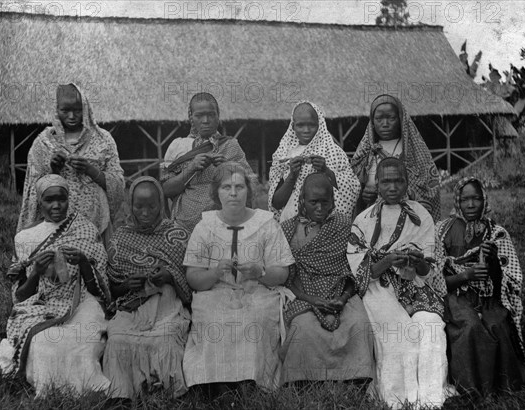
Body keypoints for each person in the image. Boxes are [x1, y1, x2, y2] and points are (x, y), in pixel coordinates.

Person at [347, 158, 451, 409]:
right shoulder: (364, 219)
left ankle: (430, 399)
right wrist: (388, 261)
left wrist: (417, 262)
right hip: (378, 287)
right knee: (399, 331)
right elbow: (359, 271)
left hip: (413, 285)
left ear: (406, 183)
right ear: (377, 184)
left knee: (430, 324)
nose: (392, 187)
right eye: (386, 181)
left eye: (398, 181)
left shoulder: (420, 216)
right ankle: (397, 399)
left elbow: (428, 270)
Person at [182, 162, 295, 393]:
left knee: (253, 319)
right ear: (216, 193)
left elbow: (282, 273)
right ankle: (215, 383)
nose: (233, 193)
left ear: (249, 191)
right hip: (215, 292)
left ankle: (252, 380)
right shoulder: (205, 227)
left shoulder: (266, 224)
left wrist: (260, 273)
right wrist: (214, 272)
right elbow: (193, 278)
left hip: (258, 291)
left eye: (239, 187)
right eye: (226, 187)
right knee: (215, 319)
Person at [0, 174, 111, 396]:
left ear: (69, 199)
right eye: (49, 200)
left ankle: (88, 389)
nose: (56, 205)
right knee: (43, 343)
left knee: (81, 339)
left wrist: (82, 262)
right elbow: (20, 297)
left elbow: (99, 289)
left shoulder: (85, 229)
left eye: (61, 198)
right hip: (42, 303)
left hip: (81, 301)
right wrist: (36, 273)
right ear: (39, 202)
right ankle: (49, 390)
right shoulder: (25, 238)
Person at [279, 173, 374, 384]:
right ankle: (303, 381)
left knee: (358, 324)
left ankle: (355, 380)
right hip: (301, 292)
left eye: (325, 202)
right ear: (302, 200)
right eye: (314, 202)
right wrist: (311, 300)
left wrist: (343, 298)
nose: (320, 208)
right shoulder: (287, 229)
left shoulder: (344, 225)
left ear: (333, 201)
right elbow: (286, 276)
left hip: (342, 291)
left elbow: (354, 268)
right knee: (303, 327)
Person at [103, 177, 192, 399]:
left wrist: (170, 276)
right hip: (132, 307)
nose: (144, 212)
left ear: (161, 204)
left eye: (151, 206)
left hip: (167, 304)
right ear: (130, 205)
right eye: (138, 206)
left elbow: (192, 282)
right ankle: (122, 394)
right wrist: (126, 285)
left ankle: (163, 391)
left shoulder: (178, 235)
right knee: (117, 339)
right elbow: (112, 289)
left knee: (165, 338)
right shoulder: (120, 238)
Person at [436, 177, 525, 396]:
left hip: (488, 295)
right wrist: (467, 275)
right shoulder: (443, 230)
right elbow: (436, 279)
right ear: (457, 201)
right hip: (456, 294)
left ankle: (505, 384)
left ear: (484, 199)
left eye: (476, 198)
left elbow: (505, 280)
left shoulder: (496, 233)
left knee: (498, 322)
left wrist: (494, 262)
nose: (471, 204)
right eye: (465, 199)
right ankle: (471, 387)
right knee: (469, 326)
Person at [17, 83, 124, 244]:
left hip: (95, 220)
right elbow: (33, 189)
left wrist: (90, 170)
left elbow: (118, 183)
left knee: (95, 263)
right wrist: (53, 169)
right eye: (65, 111)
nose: (72, 116)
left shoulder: (103, 140)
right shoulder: (44, 142)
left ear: (86, 108)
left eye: (78, 110)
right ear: (56, 109)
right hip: (55, 222)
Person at [160, 93, 258, 232]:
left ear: (218, 116)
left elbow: (252, 186)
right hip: (185, 228)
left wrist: (229, 169)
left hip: (225, 226)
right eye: (199, 115)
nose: (205, 120)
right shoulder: (179, 147)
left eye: (211, 115)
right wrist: (191, 167)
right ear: (191, 118)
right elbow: (166, 190)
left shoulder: (230, 145)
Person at [351, 94, 440, 221]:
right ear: (372, 121)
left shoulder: (413, 151)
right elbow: (352, 188)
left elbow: (429, 188)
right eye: (379, 119)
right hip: (372, 221)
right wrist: (364, 195)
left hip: (408, 222)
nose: (385, 124)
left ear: (400, 119)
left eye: (391, 118)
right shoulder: (366, 153)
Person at [269, 101, 360, 222]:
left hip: (327, 223)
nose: (306, 130)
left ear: (319, 125)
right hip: (291, 224)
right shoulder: (283, 155)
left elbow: (353, 189)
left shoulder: (334, 152)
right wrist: (292, 176)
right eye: (300, 125)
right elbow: (276, 203)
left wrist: (326, 171)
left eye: (311, 125)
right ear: (293, 126)